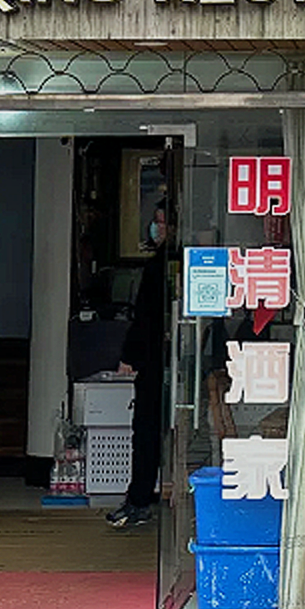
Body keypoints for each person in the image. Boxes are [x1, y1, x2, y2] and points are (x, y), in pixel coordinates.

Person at [106, 202, 170, 529]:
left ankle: (139, 500)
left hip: (155, 363)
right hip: (166, 360)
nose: (157, 228)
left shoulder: (160, 267)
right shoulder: (169, 264)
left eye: (162, 222)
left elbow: (145, 319)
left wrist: (130, 356)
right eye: (155, 221)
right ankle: (140, 498)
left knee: (146, 433)